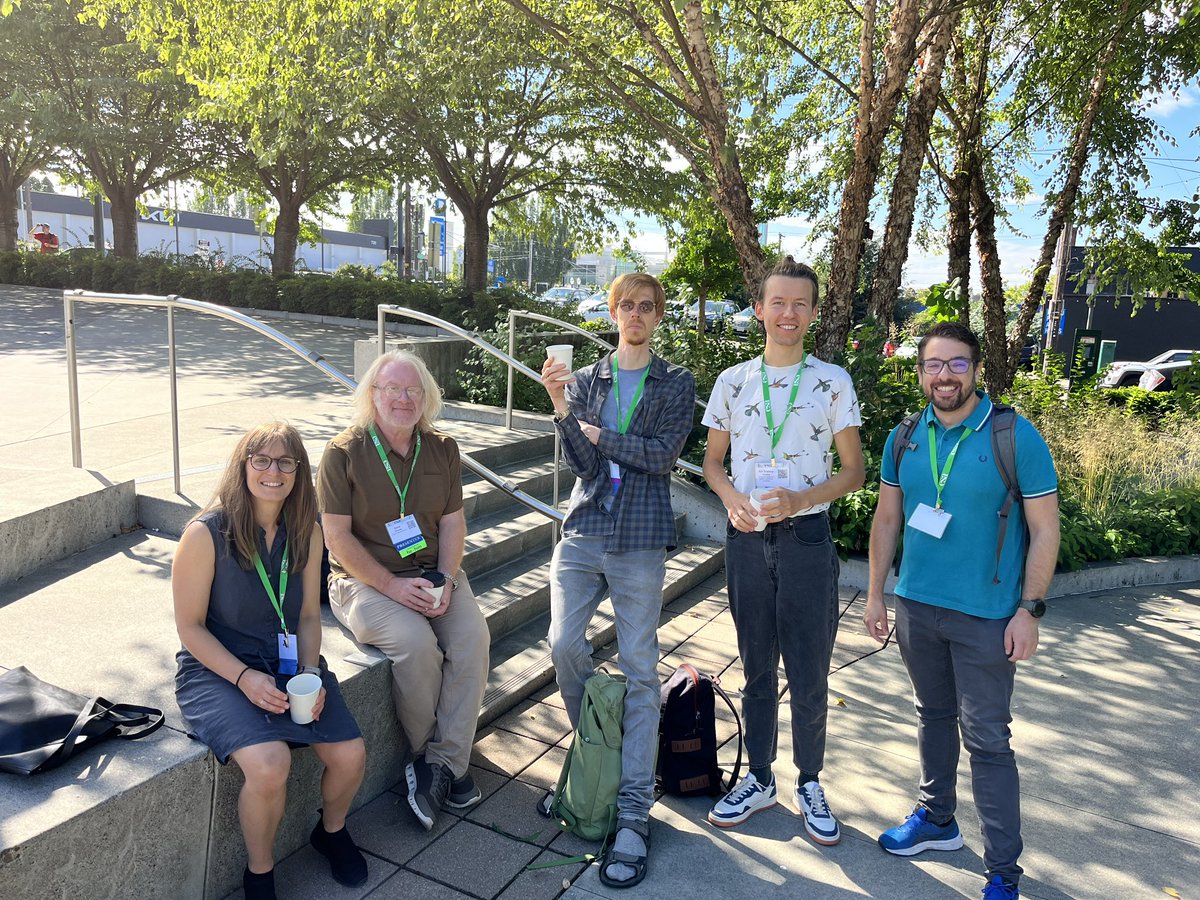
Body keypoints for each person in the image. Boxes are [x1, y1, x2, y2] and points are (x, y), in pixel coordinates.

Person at [864, 322, 1060, 900]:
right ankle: (937, 819)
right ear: (920, 370)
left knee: (988, 740)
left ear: (975, 370)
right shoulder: (903, 435)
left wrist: (1030, 610)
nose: (943, 375)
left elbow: (1044, 528)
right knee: (931, 714)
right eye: (932, 364)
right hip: (917, 607)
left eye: (955, 364)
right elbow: (886, 520)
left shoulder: (1014, 434)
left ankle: (1003, 873)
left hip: (988, 616)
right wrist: (877, 594)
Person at [537, 272, 695, 888]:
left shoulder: (676, 381)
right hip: (584, 530)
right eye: (625, 305)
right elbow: (580, 463)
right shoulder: (584, 380)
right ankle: (600, 755)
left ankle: (631, 808)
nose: (635, 314)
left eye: (646, 307)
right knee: (562, 646)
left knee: (638, 666)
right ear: (612, 312)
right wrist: (561, 410)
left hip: (640, 536)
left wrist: (601, 434)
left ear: (658, 316)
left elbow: (662, 456)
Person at [701, 256, 864, 843]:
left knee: (810, 667)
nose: (788, 313)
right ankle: (762, 778)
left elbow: (854, 471)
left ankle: (811, 781)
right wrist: (727, 497)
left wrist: (798, 502)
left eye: (800, 304)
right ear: (759, 310)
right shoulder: (733, 382)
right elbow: (712, 463)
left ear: (814, 313)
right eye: (778, 302)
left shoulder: (832, 382)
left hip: (806, 540)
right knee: (756, 668)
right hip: (746, 540)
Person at [173, 423, 368, 900]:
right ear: (243, 467)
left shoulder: (308, 530)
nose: (273, 472)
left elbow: (305, 615)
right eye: (261, 460)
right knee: (269, 762)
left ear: (299, 472)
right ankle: (259, 874)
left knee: (351, 755)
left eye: (286, 462)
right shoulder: (205, 534)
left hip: (286, 662)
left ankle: (332, 831)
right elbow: (190, 629)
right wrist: (242, 677)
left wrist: (308, 672)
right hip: (217, 668)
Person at [317, 349, 488, 832]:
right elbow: (337, 538)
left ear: (427, 397)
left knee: (472, 640)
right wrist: (391, 584)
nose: (403, 398)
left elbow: (454, 522)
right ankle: (434, 758)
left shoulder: (442, 448)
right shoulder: (343, 453)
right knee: (417, 645)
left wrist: (448, 577)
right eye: (391, 388)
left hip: (435, 573)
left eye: (413, 390)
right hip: (363, 582)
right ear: (372, 395)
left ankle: (439, 767)